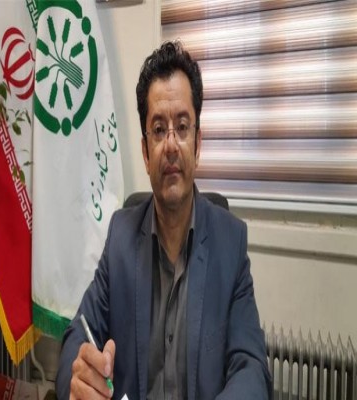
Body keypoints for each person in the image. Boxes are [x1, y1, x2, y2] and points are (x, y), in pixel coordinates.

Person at [55, 40, 271, 400]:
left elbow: (252, 368)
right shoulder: (120, 237)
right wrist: (76, 381)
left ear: (197, 145)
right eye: (158, 130)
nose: (170, 145)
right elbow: (77, 335)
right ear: (145, 152)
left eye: (182, 127)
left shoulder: (230, 243)